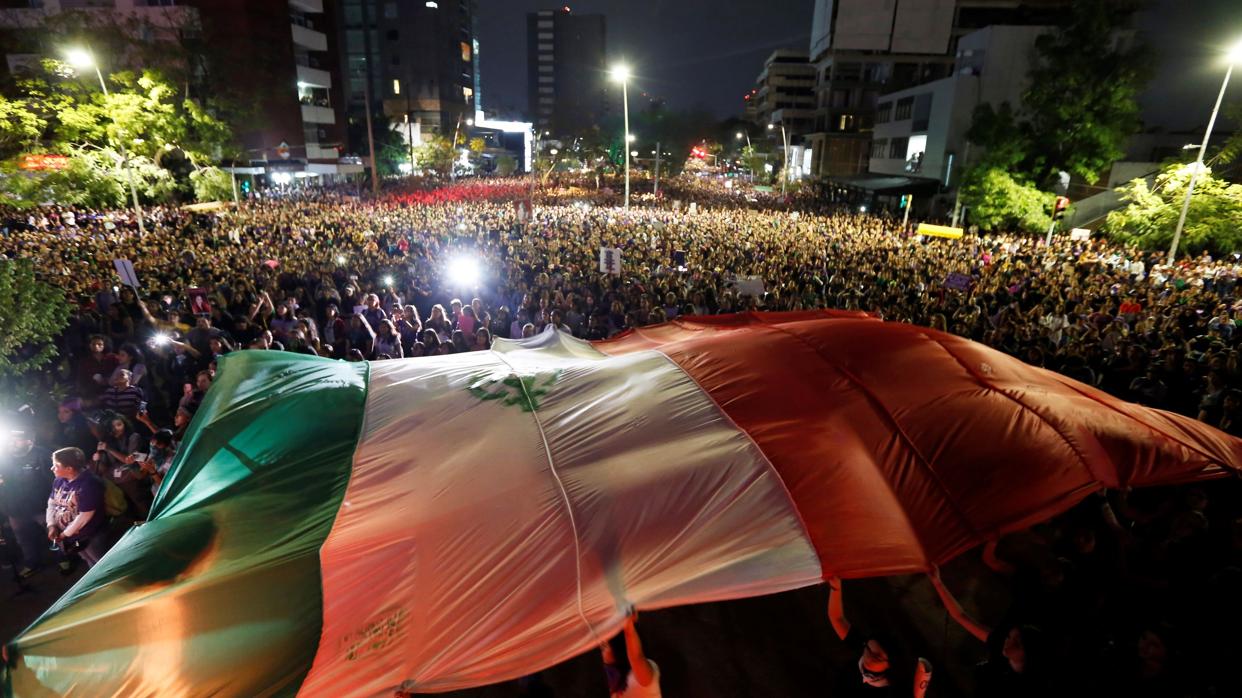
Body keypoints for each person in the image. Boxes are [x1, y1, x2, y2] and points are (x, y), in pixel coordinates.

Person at [827, 576, 932, 697]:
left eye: (877, 657)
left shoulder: (898, 688)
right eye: (869, 651)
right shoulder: (859, 650)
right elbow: (837, 618)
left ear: (891, 665)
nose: (869, 658)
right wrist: (835, 586)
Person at [0, 422, 53, 578]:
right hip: (15, 509)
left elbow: (55, 480)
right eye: (10, 439)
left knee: (55, 535)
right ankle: (32, 563)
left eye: (17, 440)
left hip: (42, 507)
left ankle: (65, 558)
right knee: (23, 539)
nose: (12, 443)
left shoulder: (43, 455)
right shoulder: (3, 457)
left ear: (30, 441)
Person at [45, 447, 111, 569]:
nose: (52, 468)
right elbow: (52, 503)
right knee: (88, 560)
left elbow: (85, 516)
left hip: (90, 535)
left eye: (56, 465)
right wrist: (51, 525)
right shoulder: (59, 480)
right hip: (72, 536)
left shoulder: (90, 484)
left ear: (69, 468)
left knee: (102, 563)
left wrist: (64, 534)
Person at [601, 611, 661, 697]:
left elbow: (636, 657)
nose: (601, 653)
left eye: (603, 646)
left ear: (617, 646)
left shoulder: (636, 677)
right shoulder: (614, 679)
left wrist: (628, 627)